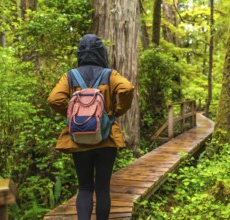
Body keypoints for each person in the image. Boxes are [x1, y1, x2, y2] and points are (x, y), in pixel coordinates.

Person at [47, 34, 134, 220]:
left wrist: (71, 115)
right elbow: (127, 88)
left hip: (79, 139)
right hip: (106, 139)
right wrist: (117, 111)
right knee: (102, 188)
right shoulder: (109, 74)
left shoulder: (70, 76)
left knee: (85, 187)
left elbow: (54, 99)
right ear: (101, 52)